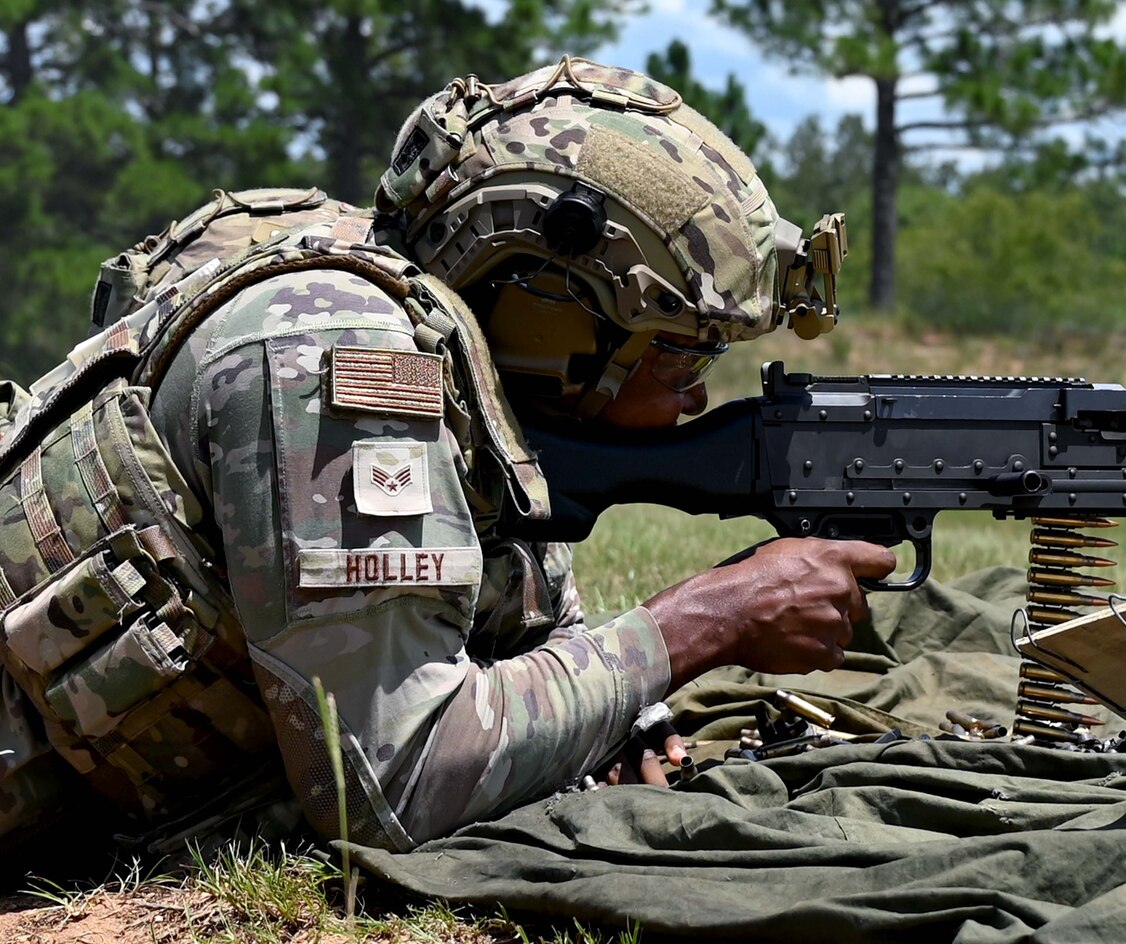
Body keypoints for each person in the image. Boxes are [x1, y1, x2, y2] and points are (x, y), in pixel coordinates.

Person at [0, 56, 894, 858]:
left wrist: (619, 708)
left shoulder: (455, 355)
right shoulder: (339, 352)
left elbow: (509, 621)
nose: (697, 396)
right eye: (680, 355)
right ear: (551, 321)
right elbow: (394, 784)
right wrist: (706, 620)